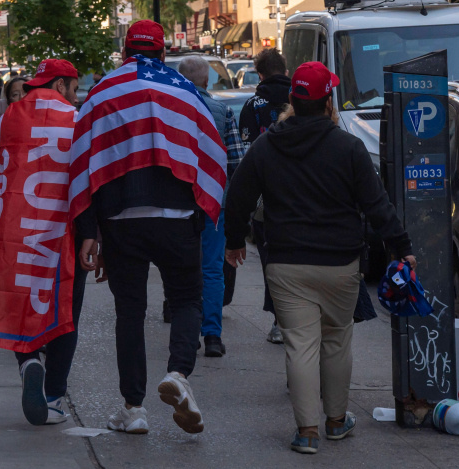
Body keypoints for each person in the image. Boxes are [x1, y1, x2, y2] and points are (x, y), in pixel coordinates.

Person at [224, 62, 415, 454]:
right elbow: (376, 205)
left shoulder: (267, 145)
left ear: (292, 100)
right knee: (336, 341)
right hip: (339, 263)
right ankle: (335, 420)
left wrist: (234, 241)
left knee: (300, 344)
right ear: (328, 102)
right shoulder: (348, 147)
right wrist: (401, 246)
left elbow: (239, 196)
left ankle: (307, 432)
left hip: (286, 262)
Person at [69, 20, 227, 435]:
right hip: (177, 217)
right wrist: (203, 213)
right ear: (162, 51)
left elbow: (84, 163)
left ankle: (133, 407)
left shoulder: (104, 91)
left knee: (130, 312)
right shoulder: (185, 91)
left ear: (125, 49)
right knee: (187, 298)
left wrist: (88, 230)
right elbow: (209, 149)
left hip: (121, 219)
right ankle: (178, 373)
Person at [7, 59, 88, 426]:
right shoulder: (76, 123)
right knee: (64, 313)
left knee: (20, 304)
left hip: (17, 232)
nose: (76, 96)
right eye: (74, 88)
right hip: (65, 237)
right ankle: (54, 397)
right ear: (60, 86)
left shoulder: (9, 118)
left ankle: (27, 362)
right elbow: (88, 184)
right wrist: (92, 235)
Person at [177, 56, 246, 357]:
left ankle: (186, 334)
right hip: (214, 203)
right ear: (206, 81)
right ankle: (212, 335)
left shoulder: (172, 111)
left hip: (179, 204)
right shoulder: (223, 111)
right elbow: (237, 163)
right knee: (213, 270)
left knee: (181, 269)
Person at [238, 48, 292, 345]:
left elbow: (247, 152)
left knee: (270, 260)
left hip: (265, 194)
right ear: (284, 69)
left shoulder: (253, 103)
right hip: (302, 187)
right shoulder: (302, 97)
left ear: (259, 74)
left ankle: (278, 321)